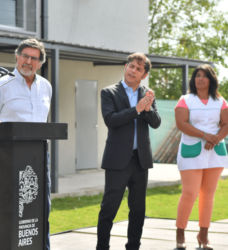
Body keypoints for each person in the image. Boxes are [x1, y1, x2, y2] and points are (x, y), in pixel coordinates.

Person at [96, 52, 161, 250]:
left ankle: (133, 246)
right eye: (131, 66)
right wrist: (137, 109)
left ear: (144, 74)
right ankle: (102, 247)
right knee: (109, 208)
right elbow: (111, 120)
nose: (133, 70)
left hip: (140, 161)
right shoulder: (109, 92)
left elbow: (156, 123)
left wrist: (147, 109)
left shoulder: (147, 93)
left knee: (138, 209)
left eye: (138, 68)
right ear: (126, 67)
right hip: (117, 161)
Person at [0, 38, 52, 249]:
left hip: (39, 158)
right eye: (25, 56)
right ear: (16, 57)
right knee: (10, 211)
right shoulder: (1, 84)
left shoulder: (46, 86)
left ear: (40, 63)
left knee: (41, 209)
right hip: (8, 159)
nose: (28, 61)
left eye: (34, 58)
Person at [174, 64, 228, 249]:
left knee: (208, 195)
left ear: (211, 80)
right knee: (189, 193)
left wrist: (214, 140)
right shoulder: (185, 100)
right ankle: (180, 234)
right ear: (193, 79)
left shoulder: (221, 101)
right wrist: (205, 136)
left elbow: (226, 125)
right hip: (192, 152)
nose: (200, 78)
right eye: (197, 75)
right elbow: (181, 124)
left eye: (204, 75)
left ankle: (203, 236)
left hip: (215, 152)